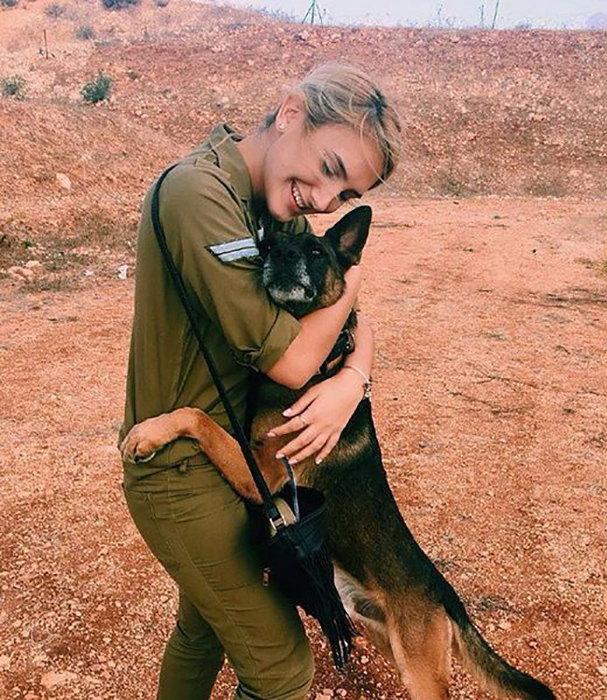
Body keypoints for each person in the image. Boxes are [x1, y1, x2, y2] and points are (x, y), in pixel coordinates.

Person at [118, 63, 402, 700]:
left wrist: (354, 376)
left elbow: (347, 318)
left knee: (203, 632)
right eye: (330, 168)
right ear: (291, 111)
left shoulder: (276, 204)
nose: (326, 201)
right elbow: (296, 362)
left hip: (237, 464)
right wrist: (351, 283)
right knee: (282, 672)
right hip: (182, 468)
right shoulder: (200, 195)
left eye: (345, 195)